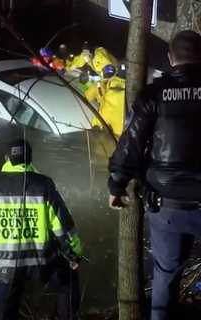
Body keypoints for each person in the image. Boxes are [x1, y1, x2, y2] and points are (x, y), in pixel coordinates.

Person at [107, 30, 201, 320]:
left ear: (171, 58)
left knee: (165, 274)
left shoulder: (153, 93)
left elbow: (131, 141)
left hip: (166, 205)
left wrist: (116, 183)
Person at [0, 138, 82, 320]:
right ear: (30, 160)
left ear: (6, 158)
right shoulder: (44, 185)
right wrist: (73, 254)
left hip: (2, 266)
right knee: (68, 281)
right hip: (40, 262)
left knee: (5, 313)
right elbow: (63, 227)